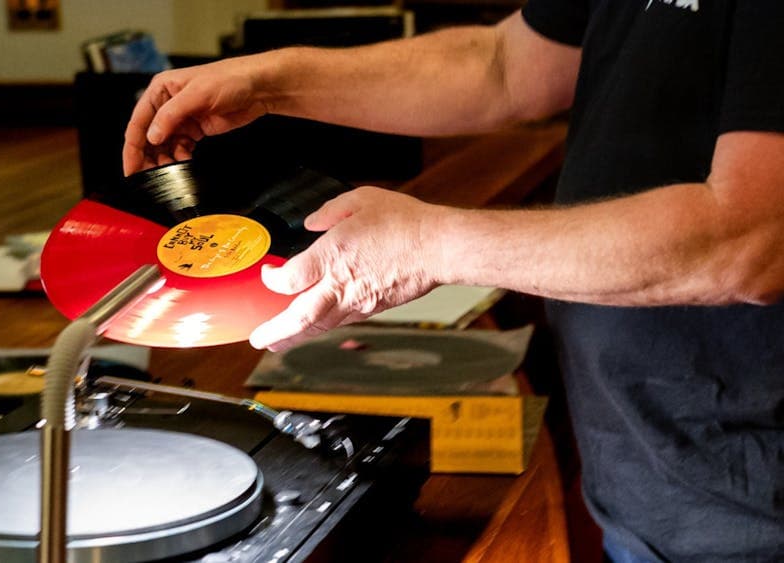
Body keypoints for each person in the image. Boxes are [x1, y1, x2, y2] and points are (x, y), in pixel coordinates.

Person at [123, 2, 783, 561]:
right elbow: (505, 66)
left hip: (751, 510)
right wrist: (269, 81)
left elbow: (752, 239)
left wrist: (427, 245)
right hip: (653, 477)